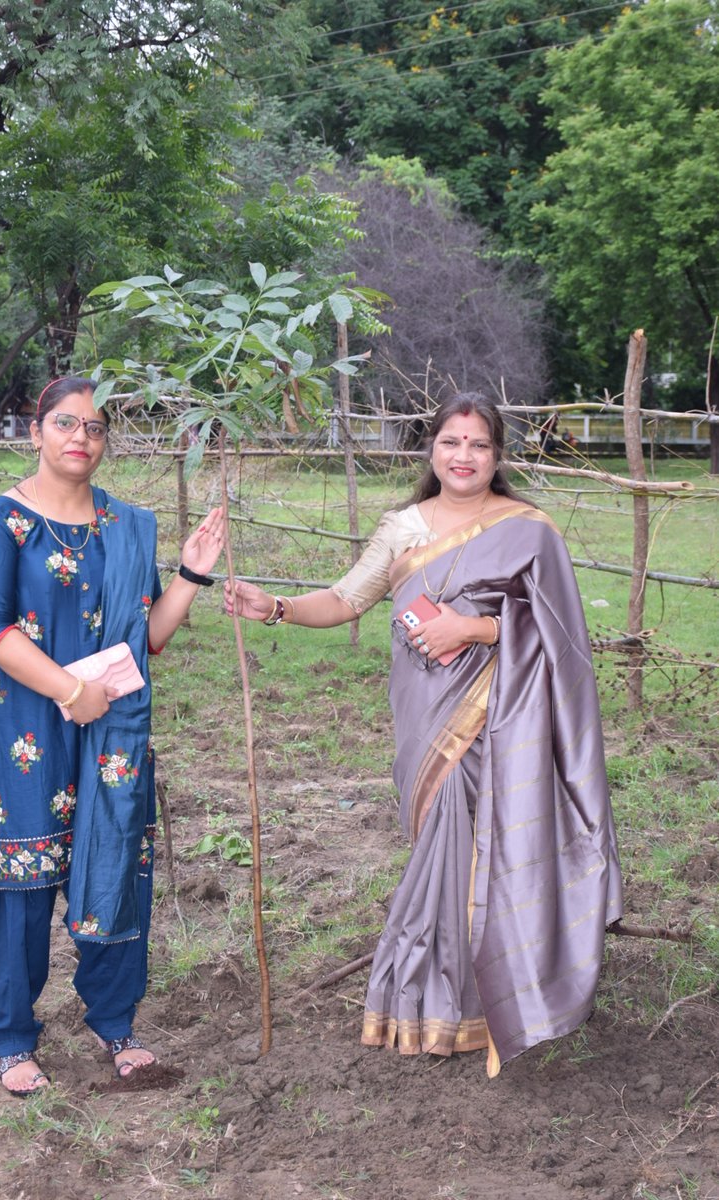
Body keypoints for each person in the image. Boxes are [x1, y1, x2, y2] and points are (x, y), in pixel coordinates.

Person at [225, 392, 623, 1077]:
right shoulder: (404, 528)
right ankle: (443, 1003)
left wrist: (471, 628)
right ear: (430, 450)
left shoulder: (529, 530)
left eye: (479, 445)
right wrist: (277, 608)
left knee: (488, 846)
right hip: (426, 719)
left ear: (497, 457)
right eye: (451, 442)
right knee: (440, 842)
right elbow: (347, 599)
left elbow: (563, 636)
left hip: (507, 720)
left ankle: (485, 1000)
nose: (464, 456)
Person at [0, 376, 225, 1096]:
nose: (81, 438)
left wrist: (192, 575)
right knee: (19, 882)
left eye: (96, 427)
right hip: (24, 731)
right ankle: (13, 1037)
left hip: (109, 733)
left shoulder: (126, 525)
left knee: (115, 870)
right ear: (36, 430)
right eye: (66, 424)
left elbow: (144, 643)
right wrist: (69, 690)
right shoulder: (2, 519)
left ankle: (116, 1024)